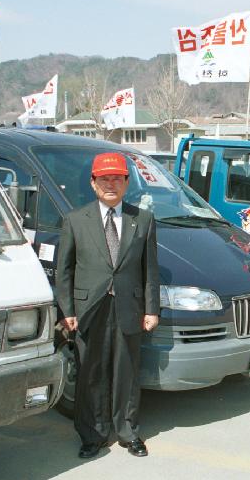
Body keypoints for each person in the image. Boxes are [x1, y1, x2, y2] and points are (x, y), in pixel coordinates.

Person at [56, 152, 160, 459]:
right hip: (89, 310)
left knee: (126, 373)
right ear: (93, 183)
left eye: (117, 178)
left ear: (127, 183)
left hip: (130, 308)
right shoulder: (75, 220)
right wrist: (68, 311)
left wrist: (151, 309)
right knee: (92, 374)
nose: (111, 184)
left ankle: (128, 432)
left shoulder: (142, 219)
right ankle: (93, 434)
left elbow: (149, 269)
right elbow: (65, 271)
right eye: (104, 178)